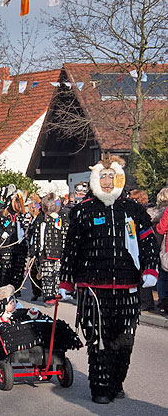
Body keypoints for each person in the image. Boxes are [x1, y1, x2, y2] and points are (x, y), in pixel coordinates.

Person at [59, 155, 159, 404]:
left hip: (128, 289)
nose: (106, 181)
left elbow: (147, 243)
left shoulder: (135, 211)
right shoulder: (83, 212)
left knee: (125, 341)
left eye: (111, 176)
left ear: (119, 178)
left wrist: (150, 269)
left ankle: (116, 382)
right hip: (94, 290)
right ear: (95, 180)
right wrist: (66, 282)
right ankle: (100, 388)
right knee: (99, 341)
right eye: (102, 176)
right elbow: (72, 249)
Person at [29, 193, 69, 305]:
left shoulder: (63, 216)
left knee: (56, 274)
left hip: (59, 251)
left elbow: (66, 234)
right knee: (47, 274)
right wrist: (34, 251)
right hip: (44, 251)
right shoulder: (41, 218)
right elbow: (36, 235)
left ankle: (54, 294)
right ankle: (47, 296)